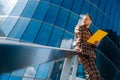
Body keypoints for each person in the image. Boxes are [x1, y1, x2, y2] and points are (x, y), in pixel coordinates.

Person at [74, 14, 102, 80]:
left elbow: (93, 45)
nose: (84, 20)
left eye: (86, 19)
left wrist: (96, 43)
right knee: (93, 76)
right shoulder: (80, 27)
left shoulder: (90, 32)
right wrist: (78, 46)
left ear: (90, 21)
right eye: (83, 19)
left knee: (96, 76)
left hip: (90, 54)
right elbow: (79, 37)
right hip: (83, 52)